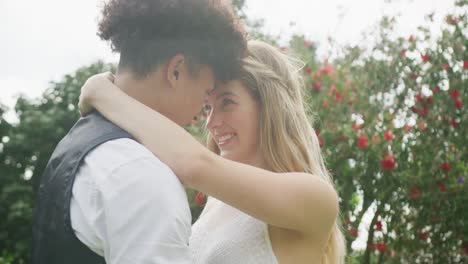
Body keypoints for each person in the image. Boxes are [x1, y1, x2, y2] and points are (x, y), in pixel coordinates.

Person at [79, 40, 347, 264]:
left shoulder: (315, 198)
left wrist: (103, 93)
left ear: (269, 106)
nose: (211, 122)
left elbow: (194, 165)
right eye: (208, 107)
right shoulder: (217, 201)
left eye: (227, 102)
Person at [30, 0, 247, 263]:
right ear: (176, 71)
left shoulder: (78, 145)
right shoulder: (144, 176)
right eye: (206, 92)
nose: (203, 113)